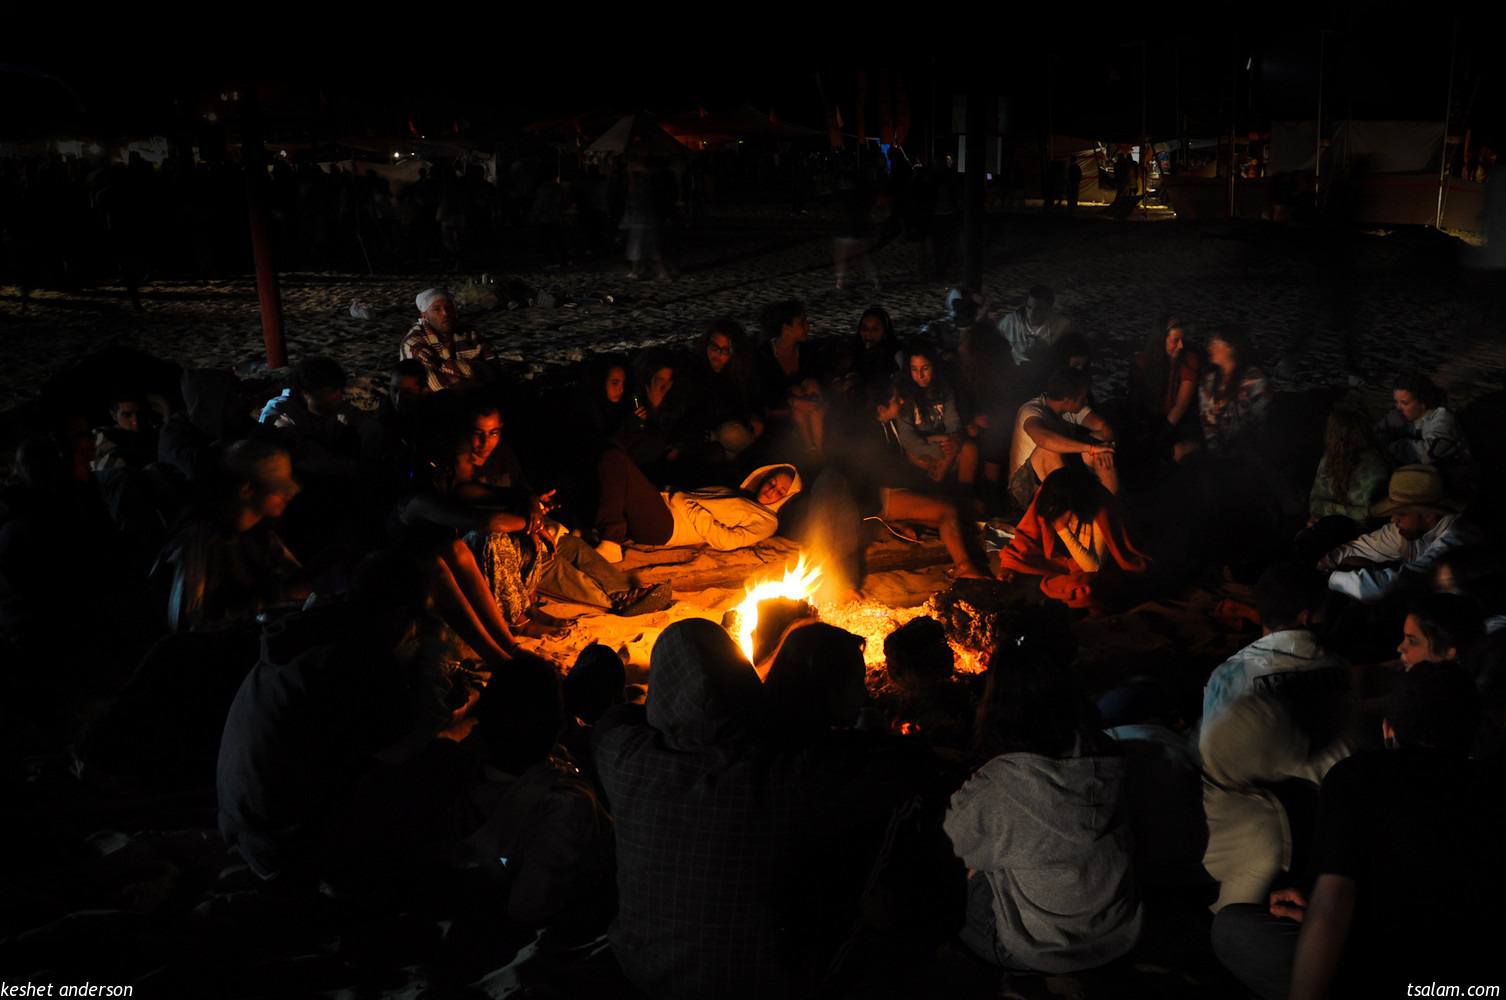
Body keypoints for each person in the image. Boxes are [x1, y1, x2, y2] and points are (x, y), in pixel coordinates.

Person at [595, 618, 930, 999]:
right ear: (741, 679)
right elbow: (906, 767)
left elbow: (615, 718)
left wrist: (663, 713)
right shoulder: (787, 775)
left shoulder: (623, 756)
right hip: (756, 985)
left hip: (643, 971)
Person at [1212, 662, 1506, 999]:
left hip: (1382, 968)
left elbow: (1332, 902)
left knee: (1232, 928)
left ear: (1387, 730)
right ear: (1473, 736)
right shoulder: (1493, 786)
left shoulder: (1360, 775)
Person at [944, 632, 1143, 973]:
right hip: (1117, 933)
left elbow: (954, 844)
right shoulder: (1105, 759)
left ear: (996, 701)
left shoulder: (998, 786)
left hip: (1041, 951)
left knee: (955, 881)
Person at [1318, 464, 1486, 604]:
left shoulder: (1456, 540)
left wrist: (1328, 577)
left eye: (1402, 512)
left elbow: (1388, 587)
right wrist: (1321, 567)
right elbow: (1359, 548)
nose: (1393, 519)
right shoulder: (1409, 528)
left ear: (1428, 513)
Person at [592, 457, 801, 563]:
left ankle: (611, 542)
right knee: (607, 467)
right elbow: (692, 496)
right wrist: (679, 495)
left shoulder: (767, 521)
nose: (772, 490)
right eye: (772, 482)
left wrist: (689, 506)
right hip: (664, 505)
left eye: (781, 491)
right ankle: (590, 528)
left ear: (786, 498)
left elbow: (726, 541)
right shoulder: (737, 495)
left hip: (669, 524)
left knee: (614, 458)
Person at [996, 465, 1148, 611]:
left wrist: (1062, 528)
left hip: (1102, 568)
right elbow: (1028, 532)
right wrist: (1009, 566)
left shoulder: (1099, 508)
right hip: (1061, 562)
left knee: (1087, 589)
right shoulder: (1050, 495)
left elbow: (1093, 567)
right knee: (1020, 571)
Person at [1007, 367, 1119, 511]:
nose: (1086, 401)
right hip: (1024, 489)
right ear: (1067, 401)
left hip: (1058, 476)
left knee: (1101, 444)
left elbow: (1105, 427)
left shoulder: (1071, 409)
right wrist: (1090, 448)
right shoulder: (1031, 411)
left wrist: (1108, 445)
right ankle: (1078, 513)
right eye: (1082, 399)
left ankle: (1111, 512)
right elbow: (1042, 439)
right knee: (1049, 450)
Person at [893, 342, 978, 486]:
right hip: (921, 446)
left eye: (925, 368)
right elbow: (907, 436)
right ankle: (937, 485)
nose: (920, 375)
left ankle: (965, 494)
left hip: (945, 442)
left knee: (970, 449)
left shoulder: (945, 389)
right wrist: (942, 455)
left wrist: (955, 442)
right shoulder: (905, 394)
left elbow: (953, 422)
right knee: (919, 453)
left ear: (934, 365)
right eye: (914, 369)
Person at [755, 299, 826, 456]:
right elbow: (765, 398)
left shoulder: (807, 351)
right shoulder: (764, 355)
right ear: (786, 327)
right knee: (795, 391)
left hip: (811, 414)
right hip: (779, 416)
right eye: (802, 323)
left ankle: (818, 452)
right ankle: (812, 451)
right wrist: (794, 402)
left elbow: (819, 381)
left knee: (810, 384)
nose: (808, 327)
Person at [1128, 314, 1200, 462]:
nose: (1181, 346)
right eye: (1175, 340)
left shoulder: (1189, 360)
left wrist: (1159, 437)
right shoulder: (1141, 362)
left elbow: (1180, 406)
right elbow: (1134, 400)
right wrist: (1138, 427)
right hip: (1149, 420)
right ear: (1161, 339)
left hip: (1175, 422)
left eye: (1182, 339)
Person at [398, 287, 496, 393]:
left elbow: (493, 365)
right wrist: (478, 375)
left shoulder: (467, 332)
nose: (445, 313)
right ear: (424, 316)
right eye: (437, 309)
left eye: (448, 307)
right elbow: (434, 384)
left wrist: (443, 368)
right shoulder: (413, 343)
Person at [1378, 370, 1473, 469]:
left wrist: (1390, 445)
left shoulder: (1442, 418)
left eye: (1404, 403)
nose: (1399, 408)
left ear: (1422, 403)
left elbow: (1427, 454)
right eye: (1396, 402)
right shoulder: (1403, 414)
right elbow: (1378, 431)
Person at [1197, 326, 1270, 454]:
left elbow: (1260, 422)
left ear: (1230, 347)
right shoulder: (1209, 381)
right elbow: (1207, 421)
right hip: (1217, 449)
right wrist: (1215, 450)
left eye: (1214, 343)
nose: (1209, 348)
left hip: (1249, 452)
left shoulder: (1254, 381)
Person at [996, 284, 1070, 369]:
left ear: (1048, 310)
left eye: (1038, 309)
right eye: (1029, 307)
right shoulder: (1010, 323)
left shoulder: (1060, 327)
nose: (1031, 314)